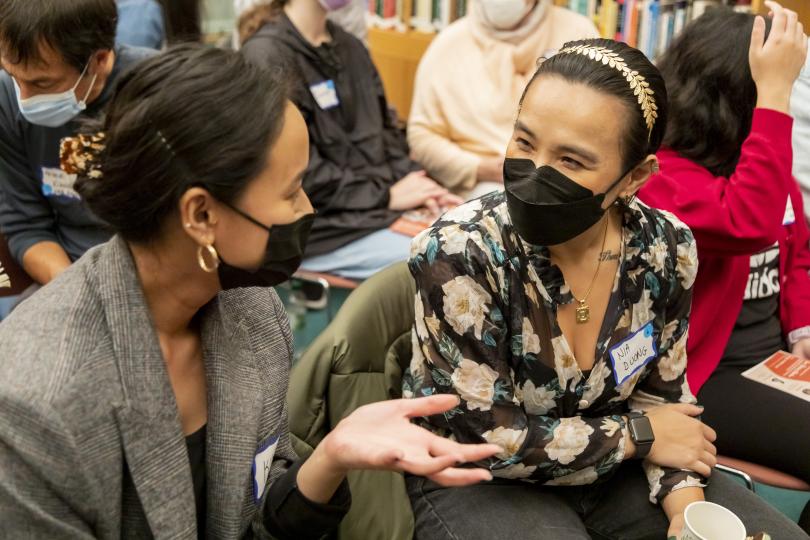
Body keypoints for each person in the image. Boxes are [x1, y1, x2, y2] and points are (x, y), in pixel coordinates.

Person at [0, 44, 500, 538]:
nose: (307, 209)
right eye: (291, 190)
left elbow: (254, 517)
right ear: (201, 215)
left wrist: (327, 460)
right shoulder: (39, 402)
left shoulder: (250, 309)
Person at [402, 37, 808, 539]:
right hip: (482, 480)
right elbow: (486, 437)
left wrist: (685, 507)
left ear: (634, 177)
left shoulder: (666, 247)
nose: (536, 173)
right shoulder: (460, 251)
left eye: (572, 161)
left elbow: (664, 403)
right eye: (525, 142)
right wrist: (638, 437)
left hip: (617, 471)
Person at [639, 3, 810, 533]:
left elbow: (798, 248)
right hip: (708, 374)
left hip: (775, 358)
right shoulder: (662, 175)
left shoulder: (756, 157)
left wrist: (804, 328)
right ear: (738, 100)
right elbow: (747, 222)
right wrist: (776, 101)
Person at [237, 0, 461, 280]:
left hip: (375, 210)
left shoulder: (350, 47)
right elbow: (295, 174)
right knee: (448, 259)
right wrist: (385, 196)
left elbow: (388, 135)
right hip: (324, 230)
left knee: (471, 235)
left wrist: (423, 186)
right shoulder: (266, 56)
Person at [0, 0, 153, 288]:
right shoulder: (6, 99)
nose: (24, 99)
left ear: (100, 58)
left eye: (42, 84)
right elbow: (27, 226)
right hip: (68, 269)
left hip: (155, 267)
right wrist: (75, 290)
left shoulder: (157, 91)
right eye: (13, 76)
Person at [407, 0, 598, 199]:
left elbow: (599, 122)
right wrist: (477, 167)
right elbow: (422, 135)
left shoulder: (579, 34)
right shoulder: (448, 44)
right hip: (481, 184)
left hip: (560, 179)